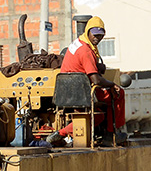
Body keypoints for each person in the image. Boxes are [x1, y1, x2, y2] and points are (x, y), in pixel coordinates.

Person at [47, 16, 126, 147]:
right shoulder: (86, 50)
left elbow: (80, 64)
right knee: (118, 94)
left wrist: (97, 66)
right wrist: (112, 84)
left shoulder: (78, 43)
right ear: (88, 31)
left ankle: (60, 133)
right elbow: (95, 79)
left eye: (100, 36)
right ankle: (111, 135)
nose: (97, 38)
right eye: (95, 35)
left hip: (67, 90)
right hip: (82, 90)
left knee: (98, 116)